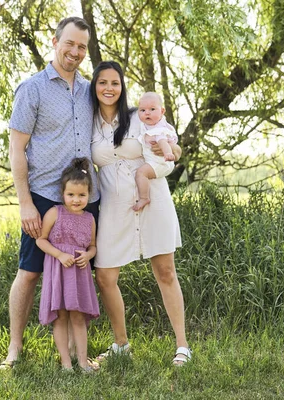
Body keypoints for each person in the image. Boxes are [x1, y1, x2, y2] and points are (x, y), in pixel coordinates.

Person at [1, 16, 100, 370]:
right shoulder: (33, 89)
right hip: (43, 195)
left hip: (84, 196)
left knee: (84, 269)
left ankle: (78, 353)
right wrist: (25, 202)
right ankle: (15, 347)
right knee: (29, 271)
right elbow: (16, 150)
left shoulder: (90, 90)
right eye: (70, 44)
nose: (75, 52)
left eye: (82, 47)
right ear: (55, 41)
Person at [90, 61, 192, 366]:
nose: (109, 88)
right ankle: (121, 344)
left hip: (154, 200)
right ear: (94, 87)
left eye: (115, 83)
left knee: (166, 271)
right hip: (113, 206)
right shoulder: (88, 121)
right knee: (105, 275)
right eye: (102, 83)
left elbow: (169, 147)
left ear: (122, 88)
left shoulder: (139, 117)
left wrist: (168, 154)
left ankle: (182, 347)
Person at [37, 157, 100, 372]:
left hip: (79, 273)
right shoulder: (55, 213)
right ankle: (66, 364)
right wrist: (59, 255)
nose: (76, 200)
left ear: (89, 194)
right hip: (59, 271)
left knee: (78, 316)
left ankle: (82, 362)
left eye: (81, 195)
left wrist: (89, 255)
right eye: (71, 195)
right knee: (61, 317)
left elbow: (93, 246)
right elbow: (41, 240)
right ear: (63, 194)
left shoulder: (90, 218)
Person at [133, 92, 178, 211]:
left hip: (161, 162)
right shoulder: (148, 125)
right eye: (142, 110)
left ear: (162, 111)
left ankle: (144, 197)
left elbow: (163, 141)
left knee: (141, 173)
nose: (147, 113)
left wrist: (168, 153)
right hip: (157, 161)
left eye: (152, 109)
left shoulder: (158, 129)